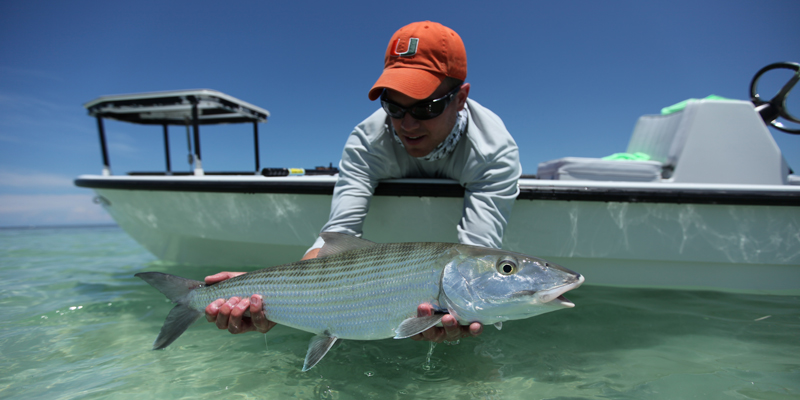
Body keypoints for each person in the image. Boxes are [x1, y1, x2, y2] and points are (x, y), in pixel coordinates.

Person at [204, 21, 521, 343]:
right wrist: (266, 293)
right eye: (393, 107)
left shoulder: (494, 150)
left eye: (426, 107)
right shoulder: (367, 140)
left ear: (461, 98)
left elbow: (478, 253)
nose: (407, 124)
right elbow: (338, 235)